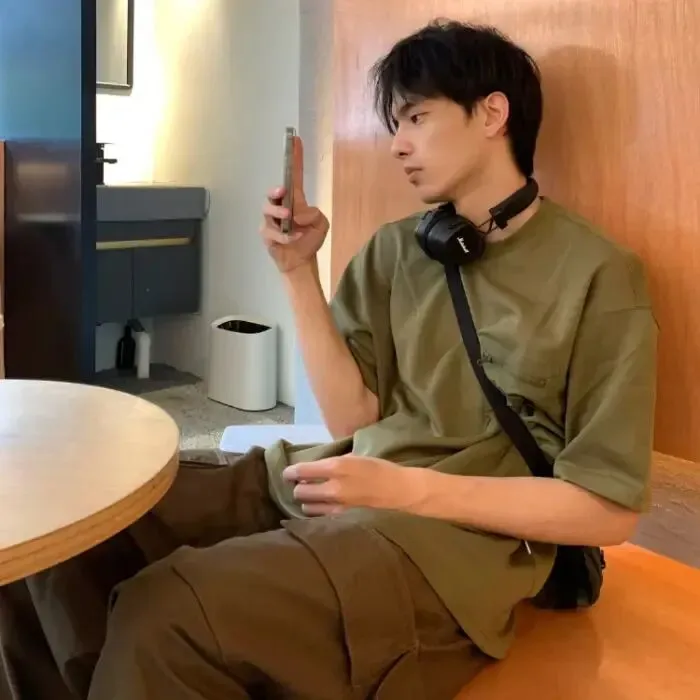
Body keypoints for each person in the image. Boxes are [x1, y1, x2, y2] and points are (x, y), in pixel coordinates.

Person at [0, 19, 657, 700]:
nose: (397, 143)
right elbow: (352, 416)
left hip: (447, 546)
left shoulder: (599, 276)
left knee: (166, 614)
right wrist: (296, 271)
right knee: (53, 536)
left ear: (493, 114)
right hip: (329, 479)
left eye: (417, 118)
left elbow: (607, 510)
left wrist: (407, 489)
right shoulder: (398, 250)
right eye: (394, 124)